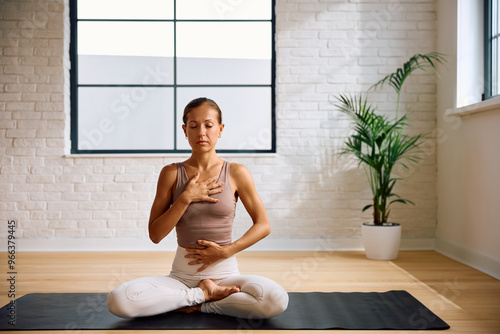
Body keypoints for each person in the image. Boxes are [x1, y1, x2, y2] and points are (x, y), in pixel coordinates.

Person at [107, 97, 289, 319]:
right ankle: (202, 294)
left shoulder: (236, 173)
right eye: (193, 126)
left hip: (226, 273)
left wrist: (226, 251)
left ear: (220, 129)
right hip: (181, 277)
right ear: (185, 130)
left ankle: (199, 303)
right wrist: (185, 198)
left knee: (275, 299)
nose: (201, 132)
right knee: (119, 300)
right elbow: (155, 234)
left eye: (208, 125)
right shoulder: (171, 173)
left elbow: (263, 225)